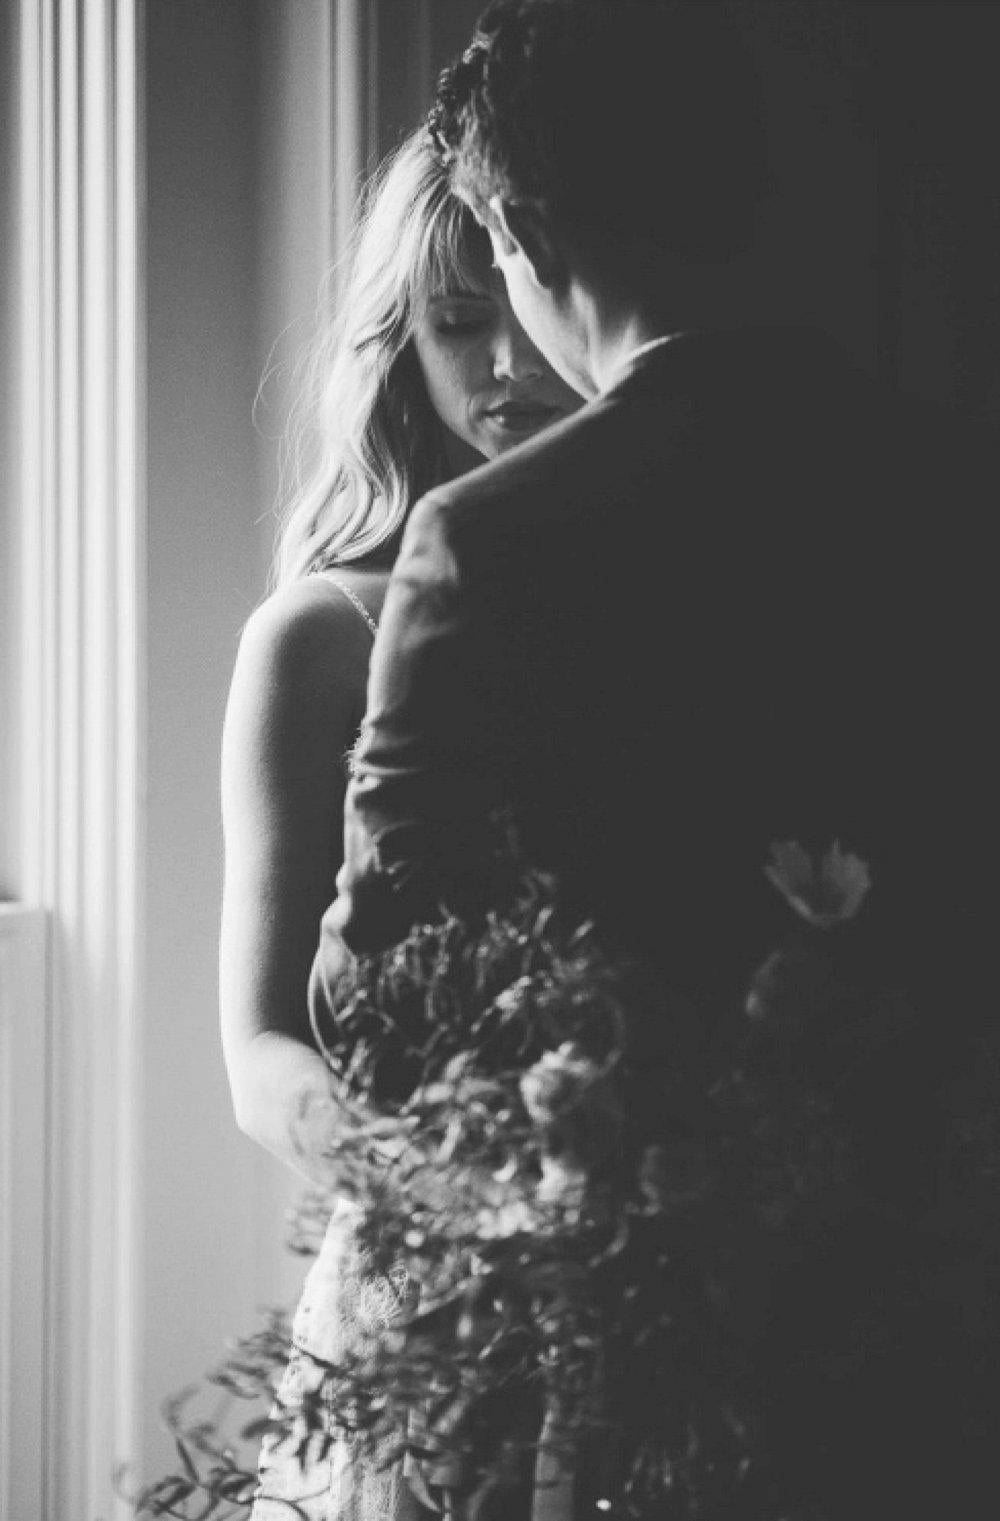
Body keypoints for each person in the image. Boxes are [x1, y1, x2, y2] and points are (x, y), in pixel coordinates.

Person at [310, 2, 998, 1517]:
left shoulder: (489, 542)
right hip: (930, 1299)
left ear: (513, 224)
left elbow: (388, 990)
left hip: (624, 1345)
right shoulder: (949, 485)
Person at [219, 127, 580, 1519]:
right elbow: (260, 1045)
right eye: (455, 325)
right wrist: (436, 1193)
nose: (504, 371)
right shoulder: (319, 637)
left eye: (523, 312)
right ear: (402, 345)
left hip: (656, 1249)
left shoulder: (670, 597)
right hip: (431, 1277)